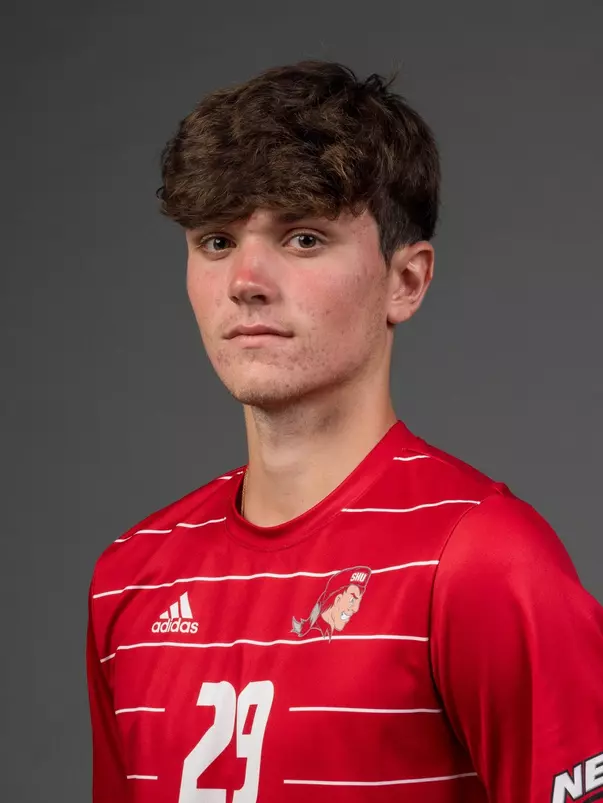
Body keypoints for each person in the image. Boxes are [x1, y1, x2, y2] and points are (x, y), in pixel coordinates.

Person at [86, 60, 603, 803]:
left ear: (406, 281)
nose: (245, 279)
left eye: (301, 238)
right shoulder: (131, 577)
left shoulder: (484, 565)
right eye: (216, 241)